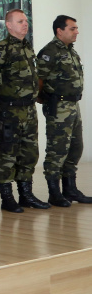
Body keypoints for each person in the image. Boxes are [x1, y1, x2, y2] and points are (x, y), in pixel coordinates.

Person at [0, 9, 50, 213]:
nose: (25, 24)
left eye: (26, 21)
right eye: (20, 21)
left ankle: (26, 195)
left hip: (28, 110)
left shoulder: (27, 48)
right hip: (9, 110)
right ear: (9, 25)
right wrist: (8, 91)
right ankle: (7, 197)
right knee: (7, 154)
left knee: (29, 153)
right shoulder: (1, 48)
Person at [37, 15, 91, 206]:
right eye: (72, 28)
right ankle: (54, 193)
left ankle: (70, 190)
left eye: (76, 28)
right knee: (57, 150)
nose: (77, 32)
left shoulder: (71, 51)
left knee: (75, 148)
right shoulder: (50, 51)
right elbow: (38, 80)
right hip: (58, 107)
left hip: (73, 105)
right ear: (60, 31)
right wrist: (46, 100)